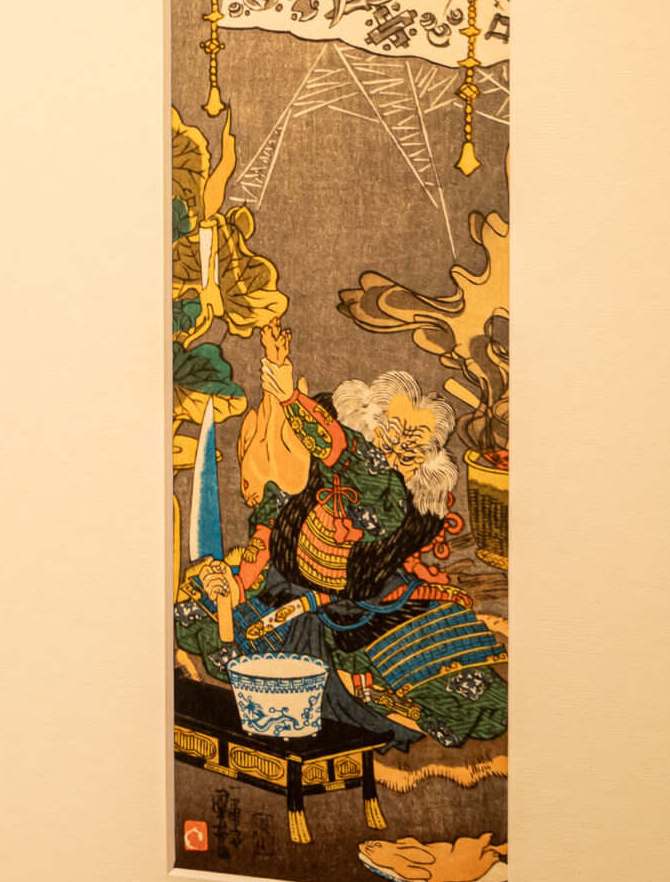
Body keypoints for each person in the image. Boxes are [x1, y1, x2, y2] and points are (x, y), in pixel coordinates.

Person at [175, 320, 507, 749]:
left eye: (412, 449)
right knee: (200, 617)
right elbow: (270, 525)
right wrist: (236, 583)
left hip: (372, 606)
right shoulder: (326, 467)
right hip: (288, 595)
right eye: (390, 435)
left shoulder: (392, 494)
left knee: (453, 667)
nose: (396, 451)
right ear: (367, 424)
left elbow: (344, 452)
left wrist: (288, 393)